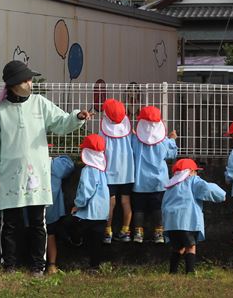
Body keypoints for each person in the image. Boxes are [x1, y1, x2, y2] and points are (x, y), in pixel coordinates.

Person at [0, 59, 92, 277]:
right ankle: (9, 266)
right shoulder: (0, 111)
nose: (30, 84)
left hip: (36, 175)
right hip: (9, 175)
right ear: (13, 84)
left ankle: (37, 266)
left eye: (30, 80)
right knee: (10, 223)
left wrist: (76, 117)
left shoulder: (40, 103)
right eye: (26, 80)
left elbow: (61, 122)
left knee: (37, 222)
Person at [161, 158, 226, 274]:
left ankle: (172, 272)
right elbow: (207, 188)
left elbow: (164, 204)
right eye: (196, 171)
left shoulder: (170, 184)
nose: (196, 173)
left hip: (171, 223)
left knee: (178, 247)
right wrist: (221, 195)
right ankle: (190, 272)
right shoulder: (193, 180)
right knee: (190, 246)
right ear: (190, 171)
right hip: (187, 221)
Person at [131, 105, 178, 243]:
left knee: (138, 209)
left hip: (139, 182)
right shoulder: (163, 141)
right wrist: (172, 139)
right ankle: (159, 234)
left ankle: (138, 234)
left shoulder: (135, 140)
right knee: (158, 208)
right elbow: (172, 154)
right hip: (159, 182)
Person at [72, 133, 111, 271]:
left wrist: (77, 205)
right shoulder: (102, 169)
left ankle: (76, 259)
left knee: (72, 229)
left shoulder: (88, 170)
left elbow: (86, 191)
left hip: (89, 212)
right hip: (102, 212)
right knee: (97, 242)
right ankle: (95, 266)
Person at [100, 98, 135, 243]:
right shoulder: (127, 128)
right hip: (127, 172)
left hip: (109, 172)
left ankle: (107, 232)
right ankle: (126, 231)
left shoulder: (103, 129)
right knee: (126, 202)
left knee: (110, 203)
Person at [45, 154, 76, 275]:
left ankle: (36, 264)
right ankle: (52, 265)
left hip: (33, 208)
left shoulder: (29, 164)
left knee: (36, 235)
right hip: (51, 210)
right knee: (50, 235)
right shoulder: (54, 165)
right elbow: (69, 164)